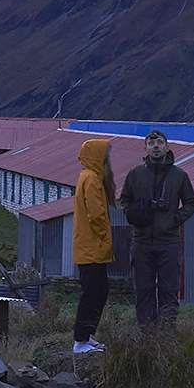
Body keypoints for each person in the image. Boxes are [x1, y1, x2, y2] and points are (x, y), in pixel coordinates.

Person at [119, 130, 194, 329]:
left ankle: (166, 335)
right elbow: (124, 200)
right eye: (151, 143)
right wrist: (133, 214)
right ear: (145, 148)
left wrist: (175, 220)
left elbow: (191, 203)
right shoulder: (135, 174)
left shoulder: (179, 176)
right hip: (141, 241)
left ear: (167, 147)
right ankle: (146, 335)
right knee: (143, 290)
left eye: (160, 142)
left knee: (168, 290)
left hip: (168, 242)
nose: (156, 146)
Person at [71, 137, 114, 356]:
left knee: (99, 291)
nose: (109, 158)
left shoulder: (87, 177)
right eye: (106, 154)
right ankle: (80, 341)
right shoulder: (92, 179)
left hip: (90, 247)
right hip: (92, 248)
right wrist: (104, 235)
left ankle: (86, 336)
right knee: (92, 293)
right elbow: (96, 214)